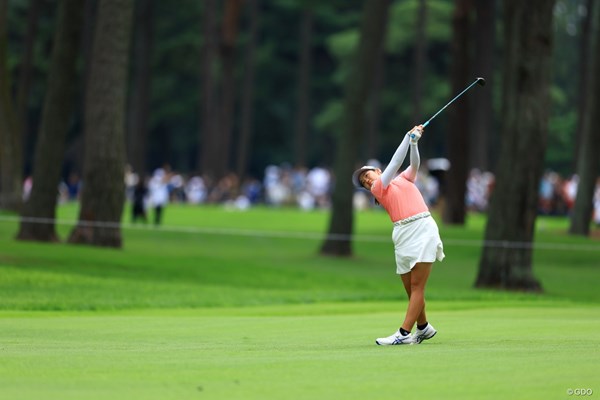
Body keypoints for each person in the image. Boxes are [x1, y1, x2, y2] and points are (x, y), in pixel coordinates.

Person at [352, 124, 445, 345]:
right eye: (363, 181)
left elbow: (414, 164)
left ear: (377, 171)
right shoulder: (379, 189)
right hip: (402, 234)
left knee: (417, 287)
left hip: (422, 228)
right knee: (409, 287)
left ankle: (403, 334)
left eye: (368, 174)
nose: (366, 180)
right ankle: (423, 327)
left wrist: (413, 143)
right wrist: (407, 136)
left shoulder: (404, 179)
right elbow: (395, 162)